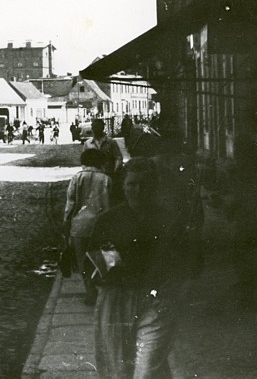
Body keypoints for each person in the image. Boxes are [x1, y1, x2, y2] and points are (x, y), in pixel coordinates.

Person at [90, 158, 202, 379]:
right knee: (118, 369)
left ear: (154, 186)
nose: (138, 190)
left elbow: (190, 262)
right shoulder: (108, 221)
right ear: (123, 185)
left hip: (157, 302)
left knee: (146, 370)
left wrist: (175, 289)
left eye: (145, 184)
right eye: (132, 184)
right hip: (117, 301)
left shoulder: (170, 220)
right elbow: (94, 265)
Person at [63, 148, 112, 305]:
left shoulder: (77, 178)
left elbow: (70, 203)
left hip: (79, 225)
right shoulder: (106, 179)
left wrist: (66, 222)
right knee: (100, 259)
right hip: (101, 224)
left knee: (82, 260)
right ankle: (101, 289)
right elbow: (110, 203)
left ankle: (90, 292)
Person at [84, 118, 124, 199]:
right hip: (94, 177)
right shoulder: (88, 144)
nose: (95, 129)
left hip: (109, 175)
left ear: (102, 128)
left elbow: (118, 157)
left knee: (110, 197)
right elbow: (84, 161)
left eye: (97, 127)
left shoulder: (111, 142)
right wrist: (87, 172)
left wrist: (115, 170)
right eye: (94, 127)